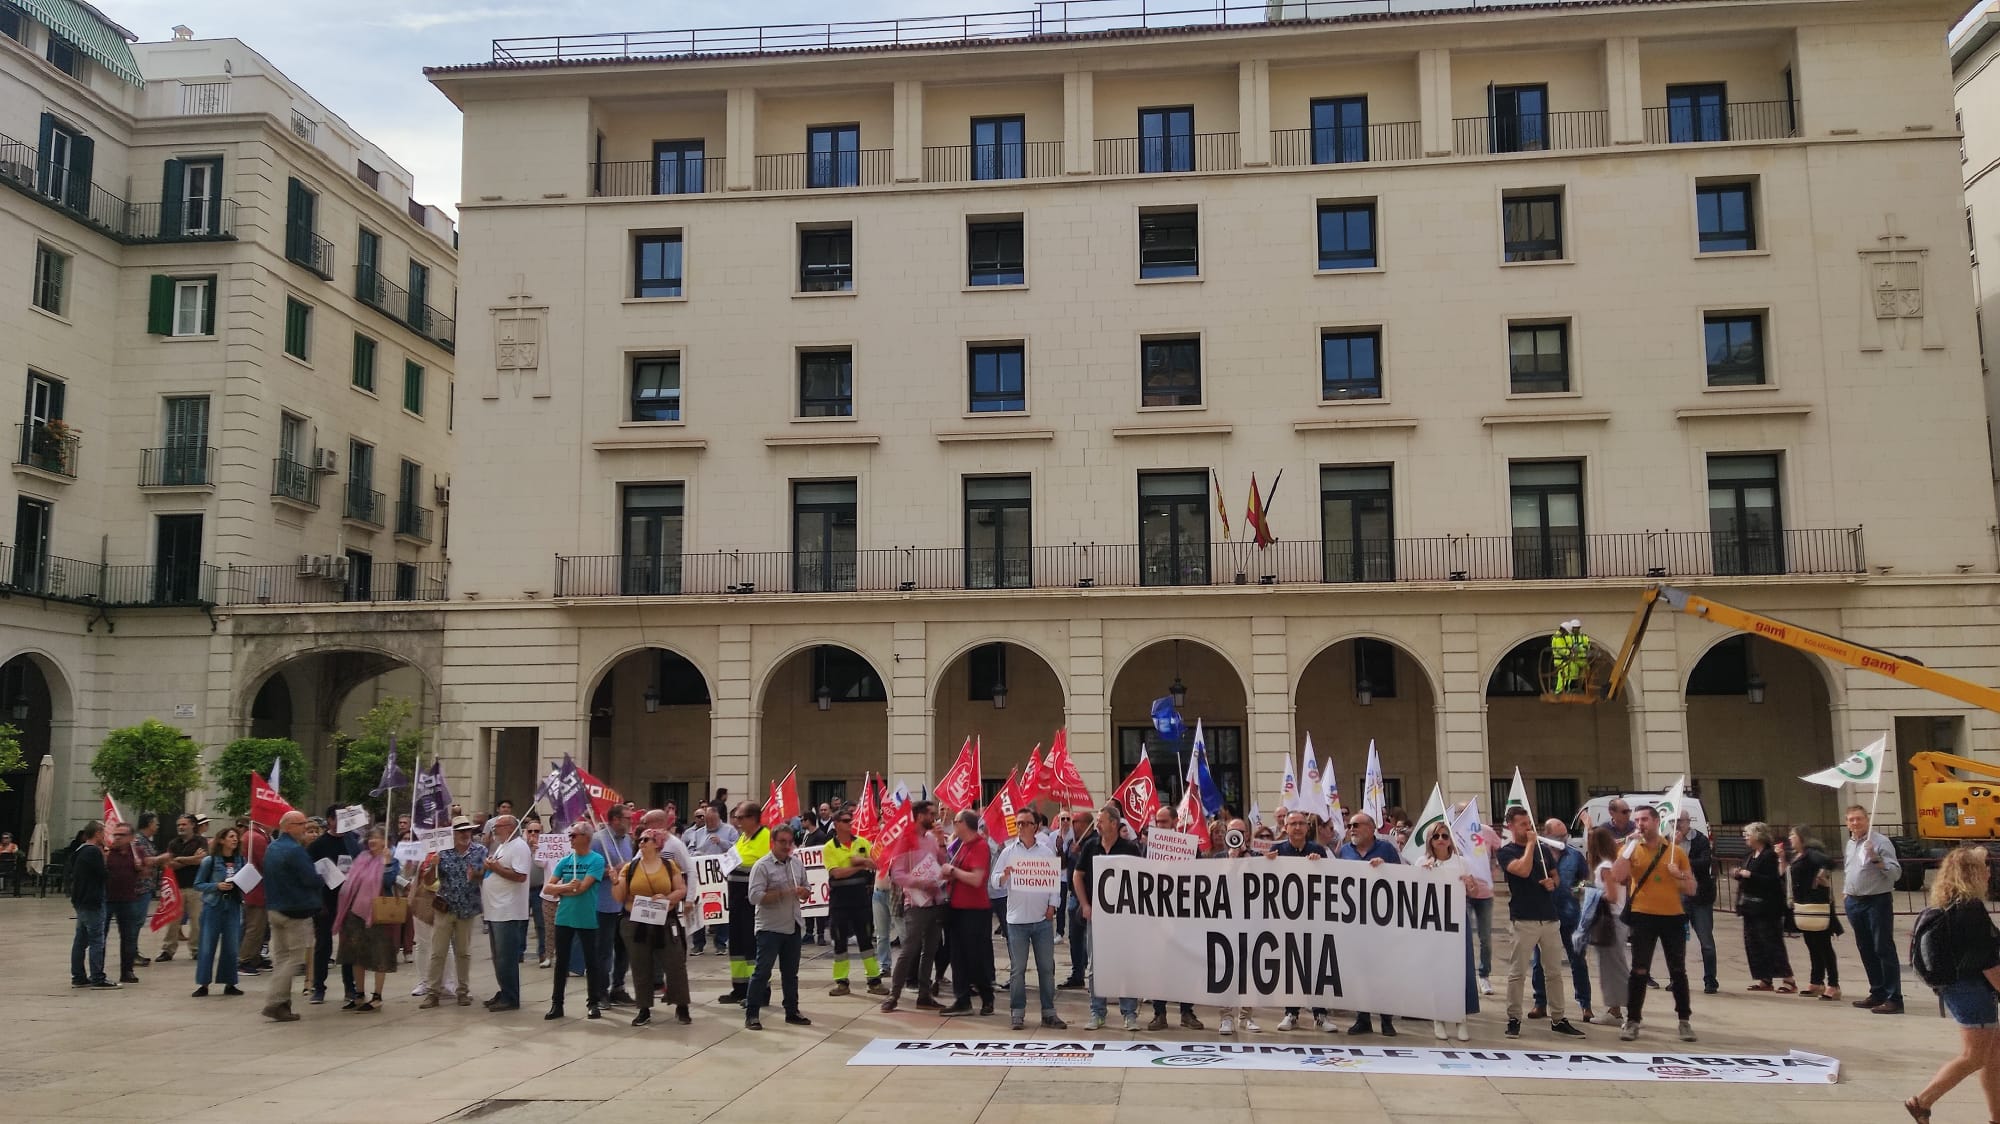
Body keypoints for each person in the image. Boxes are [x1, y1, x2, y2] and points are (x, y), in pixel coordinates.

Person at [1904, 846, 2000, 1124]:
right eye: (1985, 867)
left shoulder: (1945, 905)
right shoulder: (1971, 910)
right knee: (1974, 1057)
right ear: (1974, 874)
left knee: (1992, 1057)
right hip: (1972, 992)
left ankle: (1996, 1116)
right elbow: (1988, 963)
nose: (1990, 872)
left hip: (1956, 989)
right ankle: (1922, 1101)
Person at [1609, 805, 1697, 1043]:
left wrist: (1679, 874)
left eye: (1645, 819)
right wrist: (1628, 847)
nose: (1640, 823)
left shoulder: (1674, 852)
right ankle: (1633, 1020)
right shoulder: (1631, 849)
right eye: (1637, 819)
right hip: (1643, 915)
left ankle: (1684, 1020)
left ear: (1657, 821)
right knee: (1639, 969)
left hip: (1672, 916)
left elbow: (1691, 888)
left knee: (1677, 970)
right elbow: (1617, 877)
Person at [1497, 807, 1584, 1040]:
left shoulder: (1544, 850)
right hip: (1524, 919)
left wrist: (1552, 883)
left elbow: (1555, 875)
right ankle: (1514, 1018)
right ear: (1511, 826)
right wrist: (1529, 846)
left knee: (1554, 971)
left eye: (1530, 822)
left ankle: (1559, 1018)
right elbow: (1523, 871)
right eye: (1523, 824)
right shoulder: (1506, 852)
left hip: (1549, 917)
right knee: (1518, 972)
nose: (1529, 827)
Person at [992, 807, 1065, 1031]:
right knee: (1018, 969)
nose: (1021, 827)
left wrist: (1053, 906)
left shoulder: (1045, 852)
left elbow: (1054, 882)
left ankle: (1049, 1013)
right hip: (1016, 921)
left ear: (1036, 826)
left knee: (1045, 968)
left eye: (1026, 823)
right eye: (1019, 823)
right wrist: (1004, 876)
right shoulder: (1008, 852)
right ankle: (1017, 1013)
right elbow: (994, 881)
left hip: (1042, 920)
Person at [611, 827, 690, 1026]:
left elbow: (681, 889)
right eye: (640, 840)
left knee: (675, 963)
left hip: (664, 920)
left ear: (657, 843)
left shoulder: (669, 865)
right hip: (636, 922)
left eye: (647, 839)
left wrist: (666, 897)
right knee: (640, 965)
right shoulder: (630, 867)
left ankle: (681, 1005)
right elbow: (620, 897)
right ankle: (643, 1008)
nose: (642, 843)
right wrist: (615, 882)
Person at [1337, 812, 1406, 1036]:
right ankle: (1363, 1018)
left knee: (1383, 972)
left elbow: (1402, 878)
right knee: (1360, 972)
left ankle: (1386, 1020)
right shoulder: (1345, 851)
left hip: (1381, 921)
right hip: (1354, 921)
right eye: (1349, 825)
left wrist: (1385, 868)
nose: (1351, 828)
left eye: (1356, 825)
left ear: (1371, 828)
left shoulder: (1386, 850)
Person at [1075, 801, 1140, 1031]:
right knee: (1095, 966)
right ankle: (1097, 1012)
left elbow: (1141, 880)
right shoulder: (1091, 846)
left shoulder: (1130, 848)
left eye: (1101, 822)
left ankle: (1129, 1014)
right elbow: (1077, 875)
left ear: (1114, 823)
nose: (1098, 826)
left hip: (1123, 918)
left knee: (1125, 964)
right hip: (1097, 917)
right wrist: (1085, 904)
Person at [881, 801, 948, 1013]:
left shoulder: (930, 840)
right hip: (916, 904)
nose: (935, 818)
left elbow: (943, 863)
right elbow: (897, 874)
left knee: (930, 950)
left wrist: (941, 842)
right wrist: (920, 883)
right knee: (909, 949)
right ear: (920, 816)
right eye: (931, 814)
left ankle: (924, 995)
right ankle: (894, 995)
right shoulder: (905, 840)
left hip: (935, 902)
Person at [1141, 806, 1204, 1031]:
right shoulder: (1148, 848)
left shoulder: (1189, 847)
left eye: (1165, 821)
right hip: (1158, 915)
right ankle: (1159, 1013)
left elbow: (1201, 876)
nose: (1160, 825)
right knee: (1159, 966)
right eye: (1158, 821)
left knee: (1185, 965)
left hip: (1183, 915)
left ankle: (1187, 1012)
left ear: (1176, 821)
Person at [744, 824, 812, 1031]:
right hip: (770, 928)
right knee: (762, 972)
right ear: (773, 842)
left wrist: (803, 892)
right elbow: (754, 897)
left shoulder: (796, 864)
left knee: (791, 973)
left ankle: (792, 1010)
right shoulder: (762, 866)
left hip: (793, 925)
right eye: (782, 842)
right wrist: (781, 893)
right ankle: (752, 1013)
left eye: (789, 842)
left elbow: (807, 889)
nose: (786, 846)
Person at [1417, 820, 1479, 1040]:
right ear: (1430, 841)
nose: (1441, 840)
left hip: (1457, 918)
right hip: (1434, 919)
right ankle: (1438, 1017)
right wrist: (1422, 875)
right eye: (1436, 837)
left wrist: (1470, 884)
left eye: (1445, 836)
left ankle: (1461, 1018)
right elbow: (1414, 892)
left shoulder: (1462, 862)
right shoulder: (1422, 862)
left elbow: (1475, 891)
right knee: (1438, 970)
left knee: (1461, 969)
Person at [1269, 810, 1330, 1032]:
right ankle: (1291, 1013)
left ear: (1307, 827)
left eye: (1301, 824)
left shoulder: (1318, 850)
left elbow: (1330, 879)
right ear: (1285, 827)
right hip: (1287, 918)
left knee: (1316, 965)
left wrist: (1318, 864)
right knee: (1290, 966)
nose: (1297, 827)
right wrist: (1267, 863)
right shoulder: (1277, 850)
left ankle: (1320, 1014)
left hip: (1313, 917)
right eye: (1292, 823)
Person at [417, 817, 486, 1009]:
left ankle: (463, 991)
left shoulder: (480, 851)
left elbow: (486, 874)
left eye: (468, 830)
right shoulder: (442, 851)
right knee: (438, 952)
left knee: (464, 952)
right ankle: (432, 993)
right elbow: (428, 881)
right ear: (453, 833)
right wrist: (432, 865)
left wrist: (477, 874)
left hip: (468, 908)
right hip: (445, 907)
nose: (465, 834)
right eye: (461, 830)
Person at [261, 811, 323, 1022]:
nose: (305, 827)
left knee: (281, 958)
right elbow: (310, 879)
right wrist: (322, 877)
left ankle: (282, 1005)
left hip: (275, 909)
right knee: (294, 959)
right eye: (301, 824)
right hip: (295, 911)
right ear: (288, 826)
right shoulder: (295, 850)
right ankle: (274, 1001)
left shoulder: (272, 848)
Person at [1844, 804, 1904, 1014]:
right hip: (1854, 901)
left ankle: (1893, 997)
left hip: (1876, 900)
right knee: (1866, 948)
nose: (1855, 823)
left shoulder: (1880, 842)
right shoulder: (1850, 843)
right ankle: (1877, 991)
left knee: (1882, 948)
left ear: (1867, 820)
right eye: (1851, 819)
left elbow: (1895, 873)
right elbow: (1849, 869)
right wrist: (1847, 891)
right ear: (1847, 823)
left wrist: (1876, 859)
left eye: (1859, 819)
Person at [1531, 817, 1592, 1022]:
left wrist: (1578, 889)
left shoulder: (1574, 855)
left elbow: (1584, 877)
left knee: (1577, 961)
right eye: (1559, 836)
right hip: (1543, 914)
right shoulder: (1535, 854)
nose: (1563, 839)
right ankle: (1540, 1003)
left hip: (1569, 915)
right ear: (1547, 836)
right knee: (1540, 962)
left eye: (1565, 835)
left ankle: (1585, 1005)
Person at [333, 827, 399, 1012]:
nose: (372, 841)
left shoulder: (391, 860)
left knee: (379, 954)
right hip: (355, 913)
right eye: (370, 837)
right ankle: (359, 994)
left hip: (377, 914)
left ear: (386, 841)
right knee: (356, 954)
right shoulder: (361, 858)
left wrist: (386, 864)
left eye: (377, 837)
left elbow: (387, 883)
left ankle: (377, 996)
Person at [546, 822, 608, 1020]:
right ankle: (557, 1004)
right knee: (561, 963)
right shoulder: (565, 860)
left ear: (586, 837)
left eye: (574, 835)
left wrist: (562, 889)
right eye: (570, 835)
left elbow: (582, 888)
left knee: (592, 961)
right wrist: (566, 887)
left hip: (586, 917)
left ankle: (593, 1002)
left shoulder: (596, 860)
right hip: (564, 917)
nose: (570, 838)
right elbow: (548, 888)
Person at [940, 809, 997, 1016]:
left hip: (975, 910)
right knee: (957, 957)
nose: (953, 824)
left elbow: (976, 879)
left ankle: (987, 997)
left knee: (975, 957)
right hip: (956, 907)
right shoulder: (960, 845)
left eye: (956, 821)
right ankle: (961, 999)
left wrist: (952, 871)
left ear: (965, 824)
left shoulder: (980, 846)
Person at [823, 808, 883, 997]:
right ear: (836, 824)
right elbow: (836, 873)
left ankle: (874, 980)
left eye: (851, 820)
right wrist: (859, 864)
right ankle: (842, 982)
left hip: (861, 901)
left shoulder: (863, 843)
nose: (850, 823)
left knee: (866, 941)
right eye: (846, 820)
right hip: (840, 902)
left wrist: (863, 862)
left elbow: (876, 863)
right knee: (839, 942)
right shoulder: (829, 847)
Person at [1210, 819, 1259, 1035]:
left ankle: (1246, 1016)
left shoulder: (1257, 857)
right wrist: (1232, 860)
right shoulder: (1219, 857)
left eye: (1240, 832)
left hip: (1251, 921)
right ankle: (1226, 1016)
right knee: (1226, 969)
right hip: (1226, 921)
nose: (1236, 835)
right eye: (1232, 831)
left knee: (1248, 970)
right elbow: (1217, 885)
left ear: (1247, 834)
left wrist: (1246, 858)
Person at [718, 802, 770, 1004]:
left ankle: (759, 991)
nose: (737, 822)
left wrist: (738, 863)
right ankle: (740, 988)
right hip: (736, 898)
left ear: (753, 818)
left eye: (740, 818)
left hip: (752, 901)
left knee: (752, 946)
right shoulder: (743, 836)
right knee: (737, 945)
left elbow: (760, 863)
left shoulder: (765, 837)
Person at [1735, 821, 1796, 993]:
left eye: (1748, 833)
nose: (1745, 836)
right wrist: (1739, 874)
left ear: (1759, 836)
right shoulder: (1750, 855)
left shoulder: (1769, 855)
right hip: (1750, 907)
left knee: (1772, 942)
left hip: (1767, 907)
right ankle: (1764, 978)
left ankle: (1788, 979)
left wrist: (1751, 875)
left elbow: (1773, 880)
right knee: (1753, 943)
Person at [482, 814, 532, 1012]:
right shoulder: (503, 845)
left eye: (498, 827)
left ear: (510, 827)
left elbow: (520, 876)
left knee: (506, 957)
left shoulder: (519, 846)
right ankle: (504, 991)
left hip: (508, 911)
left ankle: (511, 997)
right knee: (498, 956)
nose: (494, 830)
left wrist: (496, 868)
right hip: (495, 910)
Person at [1788, 824, 1843, 1002]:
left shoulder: (1811, 853)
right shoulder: (1797, 855)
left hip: (1817, 904)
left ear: (1801, 837)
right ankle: (1816, 981)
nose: (1790, 838)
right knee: (1812, 944)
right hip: (1804, 905)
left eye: (1793, 835)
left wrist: (1822, 874)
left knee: (1824, 945)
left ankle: (1833, 984)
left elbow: (1830, 863)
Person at [191, 827, 247, 997]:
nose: (235, 839)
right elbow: (198, 884)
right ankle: (203, 983)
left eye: (236, 837)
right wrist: (216, 886)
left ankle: (230, 982)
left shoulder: (241, 861)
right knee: (207, 945)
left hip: (233, 906)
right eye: (231, 837)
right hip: (213, 906)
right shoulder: (210, 861)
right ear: (221, 840)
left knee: (231, 946)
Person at [1582, 826, 1629, 1027]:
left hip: (1610, 919)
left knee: (1613, 967)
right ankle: (1614, 1009)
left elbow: (1611, 896)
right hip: (1618, 918)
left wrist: (1591, 893)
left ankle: (1627, 1009)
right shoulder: (1615, 864)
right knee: (1612, 966)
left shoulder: (1604, 868)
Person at [591, 806, 637, 1005]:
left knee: (624, 948)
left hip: (625, 903)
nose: (631, 822)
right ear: (615, 819)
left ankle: (618, 987)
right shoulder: (597, 840)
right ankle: (600, 991)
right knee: (604, 950)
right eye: (628, 818)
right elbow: (586, 872)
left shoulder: (628, 840)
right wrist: (608, 872)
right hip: (604, 903)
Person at [306, 811, 350, 1006]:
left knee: (348, 945)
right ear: (330, 820)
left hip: (348, 900)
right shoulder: (318, 845)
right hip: (325, 901)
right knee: (323, 945)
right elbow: (309, 873)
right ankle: (318, 987)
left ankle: (350, 987)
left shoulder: (352, 842)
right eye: (338, 818)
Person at [683, 803, 736, 957]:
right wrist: (696, 854)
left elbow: (736, 849)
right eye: (707, 821)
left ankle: (721, 943)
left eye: (713, 821)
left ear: (719, 819)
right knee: (699, 908)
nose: (710, 825)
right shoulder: (698, 833)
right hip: (702, 877)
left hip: (721, 876)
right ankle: (698, 944)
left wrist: (721, 842)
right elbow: (690, 850)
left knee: (720, 908)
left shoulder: (729, 831)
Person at [1676, 809, 1720, 995]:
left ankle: (1710, 980)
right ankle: (1676, 980)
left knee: (1706, 941)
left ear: (1688, 822)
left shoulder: (1700, 840)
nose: (1678, 825)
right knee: (1676, 942)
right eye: (1675, 822)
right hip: (1678, 897)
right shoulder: (1670, 841)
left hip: (1700, 897)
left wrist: (1682, 860)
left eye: (1681, 821)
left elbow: (1704, 862)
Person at [158, 814, 209, 961]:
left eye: (184, 824)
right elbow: (169, 863)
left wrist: (180, 859)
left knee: (196, 921)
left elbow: (202, 860)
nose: (180, 827)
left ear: (193, 825)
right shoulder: (174, 843)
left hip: (196, 887)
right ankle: (168, 950)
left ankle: (196, 950)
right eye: (179, 825)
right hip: (176, 887)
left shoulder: (201, 841)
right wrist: (191, 859)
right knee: (172, 922)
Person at [69, 821, 114, 989]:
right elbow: (103, 874)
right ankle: (98, 977)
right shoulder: (94, 852)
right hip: (93, 900)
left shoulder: (79, 850)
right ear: (97, 833)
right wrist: (105, 858)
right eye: (103, 833)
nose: (105, 837)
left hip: (80, 900)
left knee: (80, 939)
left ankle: (78, 976)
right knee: (96, 939)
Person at [103, 820, 146, 984]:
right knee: (101, 936)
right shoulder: (108, 852)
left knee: (129, 936)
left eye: (122, 835)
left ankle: (127, 971)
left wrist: (140, 866)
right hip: (108, 899)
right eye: (116, 834)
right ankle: (98, 970)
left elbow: (144, 873)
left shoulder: (137, 852)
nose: (118, 838)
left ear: (131, 837)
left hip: (128, 899)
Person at [1059, 808, 1094, 989]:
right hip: (1073, 895)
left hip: (1089, 897)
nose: (1073, 825)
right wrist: (1061, 848)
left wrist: (1080, 853)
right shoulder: (1073, 842)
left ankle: (1093, 973)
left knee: (1090, 938)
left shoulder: (1094, 842)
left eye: (1076, 822)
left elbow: (1091, 867)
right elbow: (1064, 865)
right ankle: (1077, 973)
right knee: (1075, 936)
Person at [237, 822, 271, 977]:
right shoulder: (256, 837)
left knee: (257, 926)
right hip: (257, 889)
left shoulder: (252, 836)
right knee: (255, 927)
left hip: (253, 888)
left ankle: (254, 958)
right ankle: (245, 960)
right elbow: (266, 863)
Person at [131, 812, 163, 968]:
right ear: (149, 823)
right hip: (139, 888)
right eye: (155, 823)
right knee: (135, 922)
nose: (157, 826)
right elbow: (144, 861)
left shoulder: (148, 842)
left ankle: (132, 951)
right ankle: (131, 953)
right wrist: (163, 858)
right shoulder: (138, 841)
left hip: (146, 887)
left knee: (138, 921)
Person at [524, 821, 551, 967]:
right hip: (521, 889)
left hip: (539, 889)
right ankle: (518, 953)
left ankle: (543, 952)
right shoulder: (520, 847)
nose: (533, 834)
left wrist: (537, 851)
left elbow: (545, 865)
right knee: (520, 923)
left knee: (541, 924)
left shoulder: (547, 847)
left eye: (537, 831)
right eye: (530, 831)